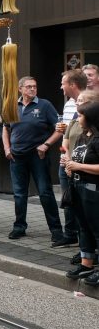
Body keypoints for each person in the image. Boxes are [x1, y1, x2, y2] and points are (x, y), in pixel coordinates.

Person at [2, 76, 67, 245]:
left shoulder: (45, 105)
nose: (32, 89)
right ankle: (19, 227)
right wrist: (7, 148)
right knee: (19, 194)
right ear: (20, 89)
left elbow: (59, 129)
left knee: (45, 193)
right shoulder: (11, 106)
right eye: (29, 87)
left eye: (34, 87)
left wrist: (46, 145)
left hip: (38, 156)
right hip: (17, 157)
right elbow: (5, 129)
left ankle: (56, 230)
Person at [62, 94, 99, 282]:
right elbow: (76, 157)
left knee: (96, 228)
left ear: (91, 118)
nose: (78, 119)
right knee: (83, 227)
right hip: (77, 186)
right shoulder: (84, 136)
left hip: (93, 189)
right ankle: (86, 264)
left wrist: (79, 167)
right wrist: (68, 163)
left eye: (81, 116)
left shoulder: (98, 139)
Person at [55, 69, 87, 247]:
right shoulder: (68, 104)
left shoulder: (89, 103)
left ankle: (86, 244)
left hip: (82, 162)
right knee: (68, 198)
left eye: (63, 83)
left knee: (82, 203)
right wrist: (64, 154)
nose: (61, 87)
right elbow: (67, 135)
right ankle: (70, 234)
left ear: (72, 85)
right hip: (65, 158)